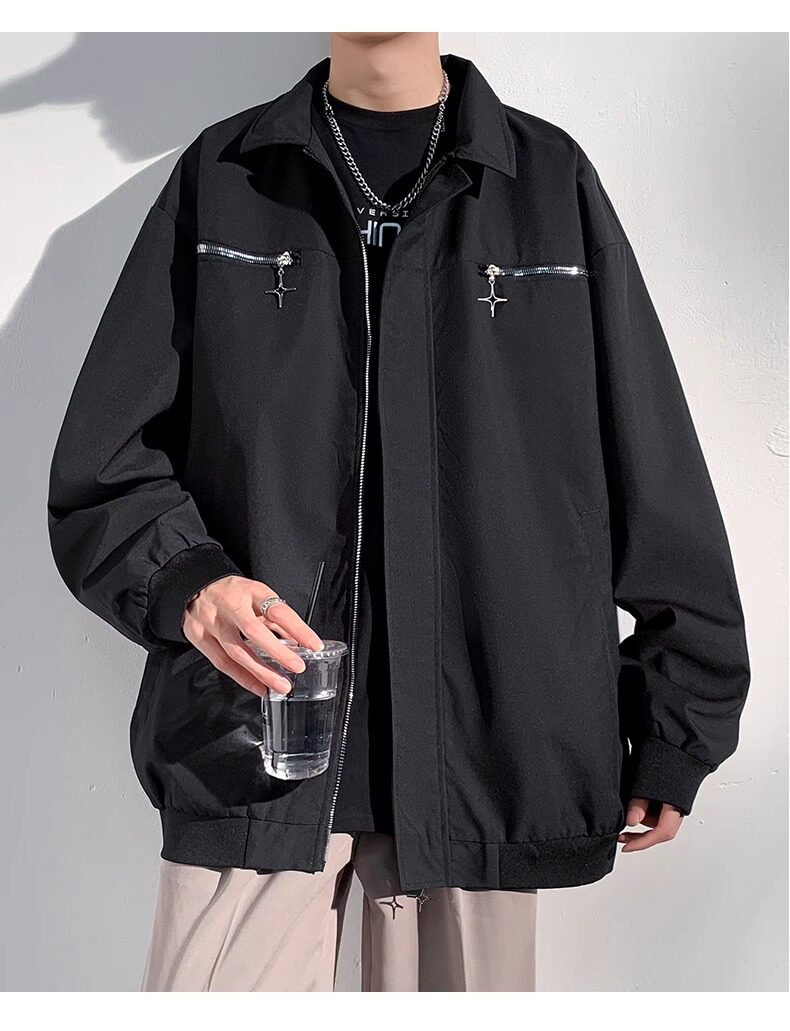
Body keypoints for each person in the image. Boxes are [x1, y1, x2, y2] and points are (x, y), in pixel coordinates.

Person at [47, 32, 751, 992]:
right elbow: (104, 464)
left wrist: (678, 722)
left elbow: (652, 465)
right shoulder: (227, 175)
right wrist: (191, 583)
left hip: (486, 762)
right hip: (255, 750)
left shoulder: (546, 182)